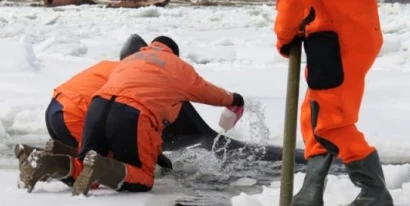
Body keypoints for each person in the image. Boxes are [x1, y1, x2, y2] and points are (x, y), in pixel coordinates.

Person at [245, 0, 393, 206]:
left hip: (336, 40)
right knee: (314, 112)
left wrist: (284, 38)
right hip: (357, 30)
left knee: (331, 121)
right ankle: (311, 190)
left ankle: (375, 193)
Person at [20, 35, 245, 195]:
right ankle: (67, 163)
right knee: (143, 179)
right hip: (131, 112)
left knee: (88, 163)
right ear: (173, 53)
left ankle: (49, 163)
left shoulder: (129, 61)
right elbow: (205, 91)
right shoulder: (176, 66)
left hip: (96, 107)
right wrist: (234, 99)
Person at [14, 34, 172, 190]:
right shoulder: (138, 78)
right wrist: (157, 155)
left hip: (56, 106)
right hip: (78, 112)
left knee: (88, 157)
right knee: (94, 170)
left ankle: (38, 154)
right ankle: (47, 163)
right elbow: (142, 123)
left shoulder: (110, 65)